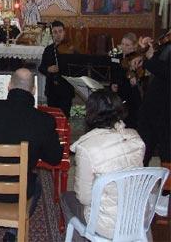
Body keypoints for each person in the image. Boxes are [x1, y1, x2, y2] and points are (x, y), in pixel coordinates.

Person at [0, 68, 63, 241]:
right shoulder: (44, 120)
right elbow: (54, 159)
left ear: (9, 86)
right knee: (37, 183)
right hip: (16, 194)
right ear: (33, 90)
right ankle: (13, 231)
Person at [60, 90, 145, 240]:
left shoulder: (87, 147)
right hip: (136, 219)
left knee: (67, 198)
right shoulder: (136, 137)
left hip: (106, 225)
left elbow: (84, 198)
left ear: (91, 113)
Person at [137, 32, 170, 167]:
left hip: (166, 107)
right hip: (153, 105)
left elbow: (167, 71)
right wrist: (146, 49)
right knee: (144, 148)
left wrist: (151, 58)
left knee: (167, 152)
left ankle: (167, 187)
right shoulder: (166, 39)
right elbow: (157, 60)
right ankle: (138, 181)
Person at [38, 20, 75, 117]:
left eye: (60, 31)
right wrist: (48, 69)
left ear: (64, 32)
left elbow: (77, 67)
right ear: (51, 34)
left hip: (66, 89)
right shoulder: (49, 49)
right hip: (51, 89)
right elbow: (41, 67)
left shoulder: (71, 49)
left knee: (64, 116)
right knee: (52, 116)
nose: (58, 34)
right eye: (55, 32)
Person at [110, 32, 142, 129]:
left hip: (132, 96)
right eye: (122, 44)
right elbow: (114, 73)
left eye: (127, 45)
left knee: (130, 122)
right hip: (119, 93)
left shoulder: (137, 58)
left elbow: (142, 76)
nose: (124, 47)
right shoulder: (117, 56)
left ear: (134, 46)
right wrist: (113, 83)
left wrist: (135, 78)